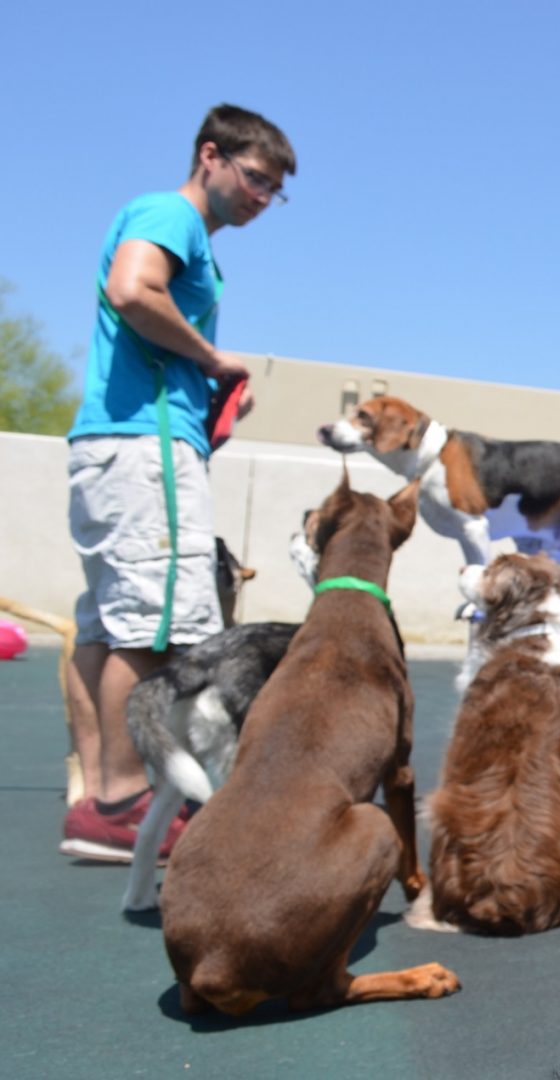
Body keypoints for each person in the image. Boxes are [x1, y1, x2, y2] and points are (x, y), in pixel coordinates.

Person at [59, 105, 296, 862]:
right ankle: (128, 801)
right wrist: (211, 359)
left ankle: (102, 800)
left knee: (102, 628)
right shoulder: (170, 214)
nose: (261, 198)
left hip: (111, 445)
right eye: (255, 178)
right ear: (210, 156)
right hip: (142, 449)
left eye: (273, 190)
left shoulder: (178, 227)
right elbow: (134, 290)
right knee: (153, 629)